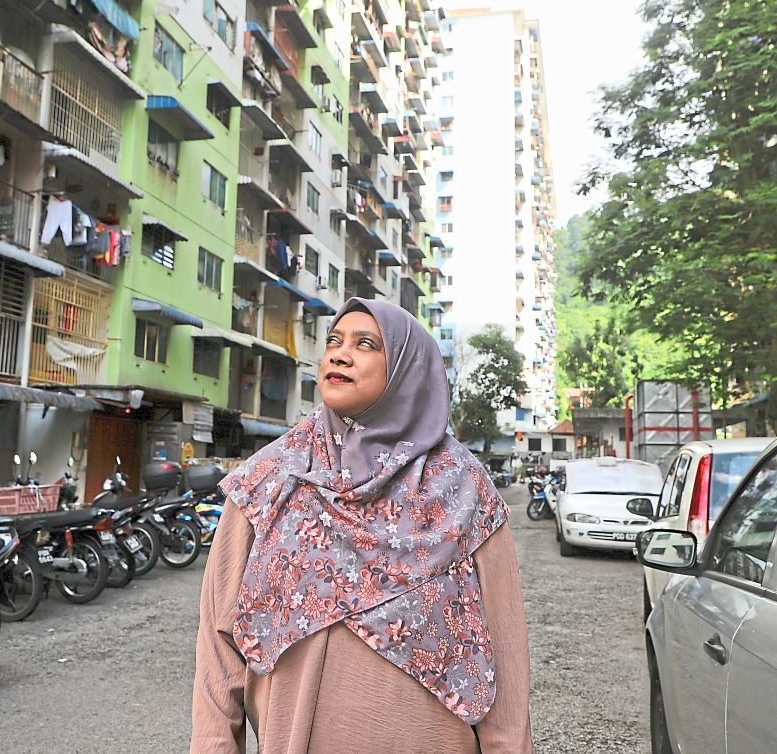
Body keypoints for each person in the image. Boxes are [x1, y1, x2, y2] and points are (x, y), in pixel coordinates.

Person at [192, 298, 533, 753]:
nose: (338, 353)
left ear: (406, 370)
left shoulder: (463, 490)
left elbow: (506, 662)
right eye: (334, 340)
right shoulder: (272, 478)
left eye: (366, 343)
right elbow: (218, 648)